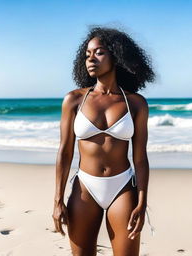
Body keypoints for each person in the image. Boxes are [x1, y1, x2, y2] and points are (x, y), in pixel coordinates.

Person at [52, 26, 155, 256]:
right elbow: (65, 152)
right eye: (87, 54)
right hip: (85, 188)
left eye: (98, 52)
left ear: (116, 56)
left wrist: (142, 200)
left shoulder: (136, 103)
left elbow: (140, 158)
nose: (91, 59)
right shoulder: (74, 100)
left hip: (122, 187)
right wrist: (58, 200)